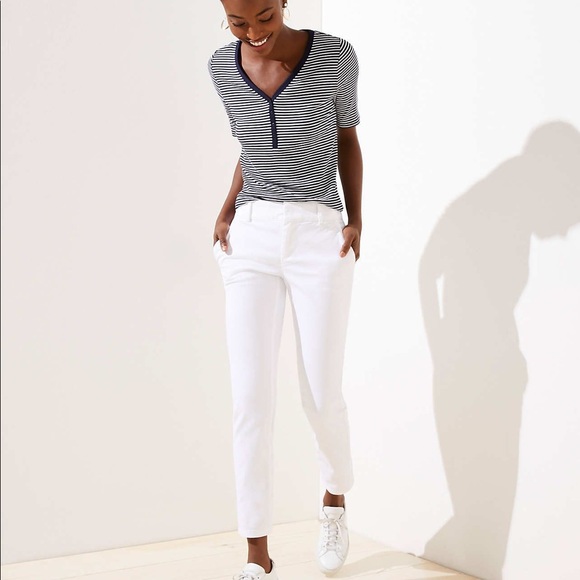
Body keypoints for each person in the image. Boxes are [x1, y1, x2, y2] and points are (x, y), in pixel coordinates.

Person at [208, 1, 363, 578]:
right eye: (238, 23)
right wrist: (226, 210)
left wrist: (355, 218)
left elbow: (346, 138)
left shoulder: (334, 55)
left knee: (320, 393)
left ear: (283, 2)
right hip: (249, 237)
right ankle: (257, 552)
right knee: (250, 400)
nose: (253, 32)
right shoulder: (221, 67)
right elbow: (250, 149)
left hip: (319, 232)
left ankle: (334, 499)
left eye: (264, 16)